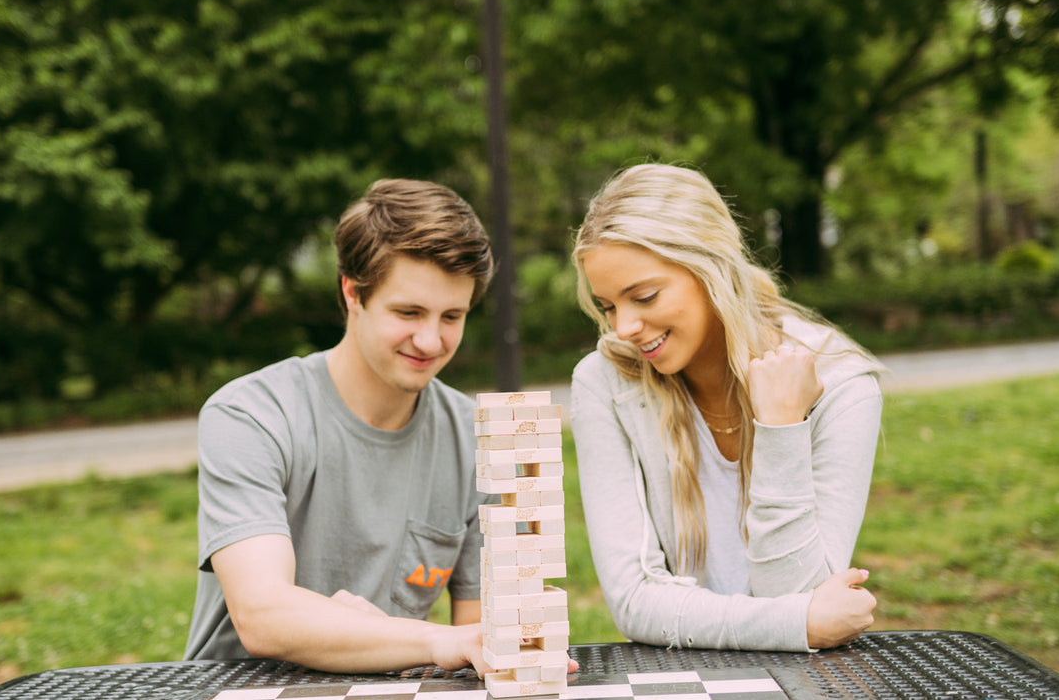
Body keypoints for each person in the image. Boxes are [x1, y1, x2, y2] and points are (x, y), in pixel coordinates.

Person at [183, 179, 502, 673]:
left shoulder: (481, 438)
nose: (431, 340)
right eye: (408, 312)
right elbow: (262, 615)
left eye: (452, 316)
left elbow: (487, 641)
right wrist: (436, 641)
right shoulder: (250, 415)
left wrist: (453, 644)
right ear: (353, 292)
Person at [569, 164, 882, 653]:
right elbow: (633, 601)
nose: (623, 327)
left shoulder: (841, 385)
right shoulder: (607, 381)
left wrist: (781, 426)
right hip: (670, 681)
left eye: (644, 296)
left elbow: (794, 592)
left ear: (712, 270)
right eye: (608, 306)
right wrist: (793, 625)